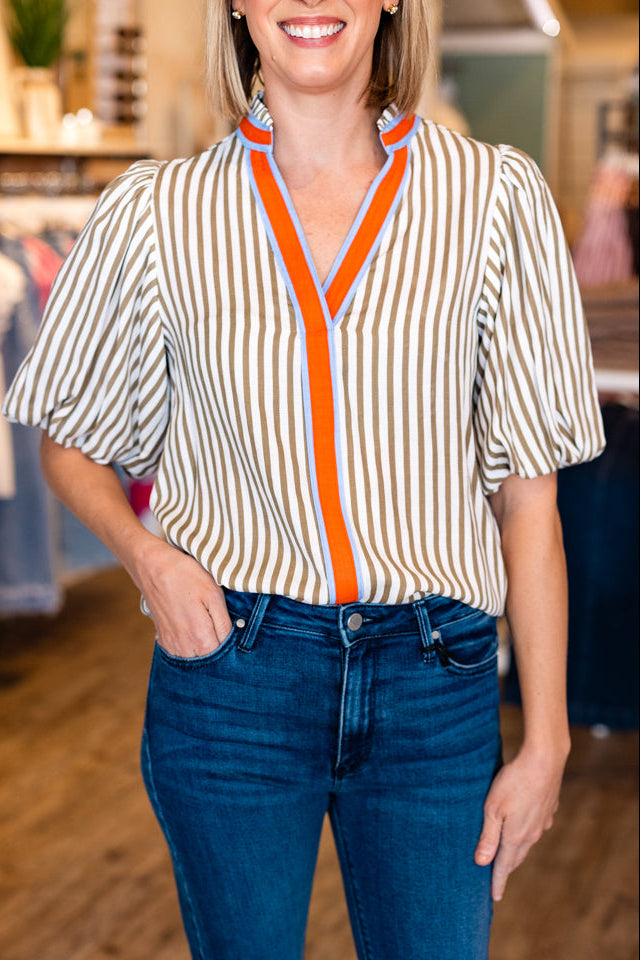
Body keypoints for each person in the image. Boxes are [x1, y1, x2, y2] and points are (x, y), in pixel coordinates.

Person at [2, 0, 606, 955]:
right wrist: (146, 557)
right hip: (233, 681)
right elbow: (68, 442)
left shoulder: (494, 200)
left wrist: (549, 741)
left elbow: (529, 499)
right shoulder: (156, 214)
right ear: (238, 3)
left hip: (433, 684)